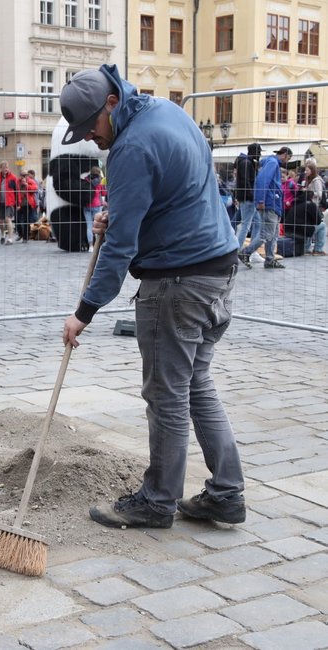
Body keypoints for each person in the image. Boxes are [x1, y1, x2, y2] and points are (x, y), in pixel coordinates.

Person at [59, 65, 245, 529]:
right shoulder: (168, 111)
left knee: (166, 395)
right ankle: (226, 493)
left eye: (92, 129)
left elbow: (120, 249)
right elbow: (175, 193)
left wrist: (85, 311)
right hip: (217, 267)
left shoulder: (131, 146)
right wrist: (120, 213)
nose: (92, 139)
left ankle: (158, 500)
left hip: (177, 283)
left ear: (111, 104)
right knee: (195, 385)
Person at [240, 146, 292, 270]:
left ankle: (270, 259)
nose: (287, 161)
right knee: (266, 234)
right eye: (288, 158)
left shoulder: (270, 162)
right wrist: (261, 199)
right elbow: (262, 181)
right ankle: (246, 252)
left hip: (273, 202)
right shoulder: (273, 163)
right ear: (284, 155)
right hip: (271, 202)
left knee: (273, 234)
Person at [233, 143, 262, 268]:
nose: (260, 154)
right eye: (259, 152)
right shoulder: (247, 163)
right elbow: (245, 182)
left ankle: (250, 250)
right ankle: (238, 251)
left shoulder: (245, 162)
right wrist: (252, 196)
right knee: (246, 225)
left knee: (256, 222)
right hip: (248, 198)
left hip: (247, 198)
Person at [302, 160, 327, 255]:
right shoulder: (309, 180)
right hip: (309, 207)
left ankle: (314, 248)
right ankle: (315, 248)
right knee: (317, 226)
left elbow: (319, 194)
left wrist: (308, 193)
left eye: (307, 170)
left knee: (315, 225)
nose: (305, 172)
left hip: (314, 207)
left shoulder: (316, 181)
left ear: (312, 170)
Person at [0, 160, 19, 244]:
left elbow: (17, 191)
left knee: (8, 219)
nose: (5, 169)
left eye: (7, 167)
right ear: (1, 168)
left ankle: (10, 238)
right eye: (4, 167)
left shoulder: (13, 178)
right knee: (0, 221)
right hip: (0, 203)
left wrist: (18, 204)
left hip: (9, 202)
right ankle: (3, 235)